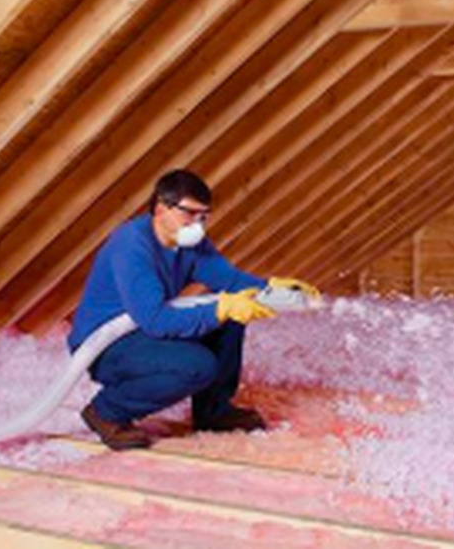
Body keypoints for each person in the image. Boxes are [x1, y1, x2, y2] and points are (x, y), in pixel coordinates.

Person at [67, 170, 319, 451]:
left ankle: (213, 411)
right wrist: (221, 308)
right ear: (162, 208)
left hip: (143, 330)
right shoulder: (132, 247)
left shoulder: (189, 244)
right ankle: (107, 412)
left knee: (230, 315)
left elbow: (230, 280)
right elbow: (156, 320)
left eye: (203, 216)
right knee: (198, 366)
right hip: (107, 346)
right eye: (190, 214)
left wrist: (273, 288)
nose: (197, 225)